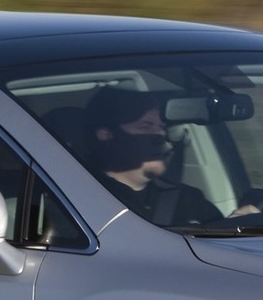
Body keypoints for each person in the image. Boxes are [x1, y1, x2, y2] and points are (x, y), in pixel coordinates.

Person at [78, 87, 240, 228]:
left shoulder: (187, 199)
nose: (160, 135)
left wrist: (236, 225)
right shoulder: (75, 202)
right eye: (145, 126)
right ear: (106, 136)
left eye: (162, 127)